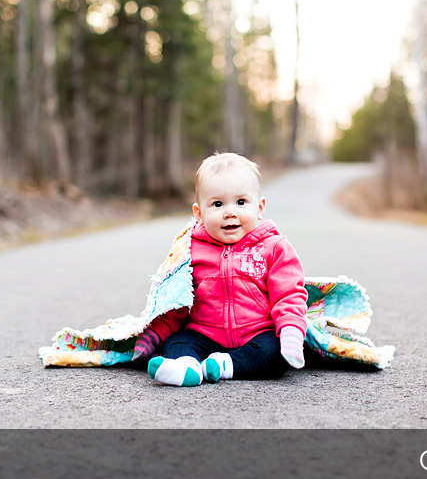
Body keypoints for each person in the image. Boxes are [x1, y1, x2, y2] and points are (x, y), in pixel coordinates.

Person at [131, 152, 308, 386]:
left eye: (241, 202)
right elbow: (175, 301)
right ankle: (186, 367)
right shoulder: (189, 251)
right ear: (199, 213)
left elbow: (289, 294)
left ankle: (227, 365)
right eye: (217, 204)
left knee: (273, 353)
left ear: (260, 207)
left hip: (255, 334)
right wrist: (154, 334)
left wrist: (291, 331)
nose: (230, 212)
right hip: (204, 335)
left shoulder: (274, 247)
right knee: (176, 343)